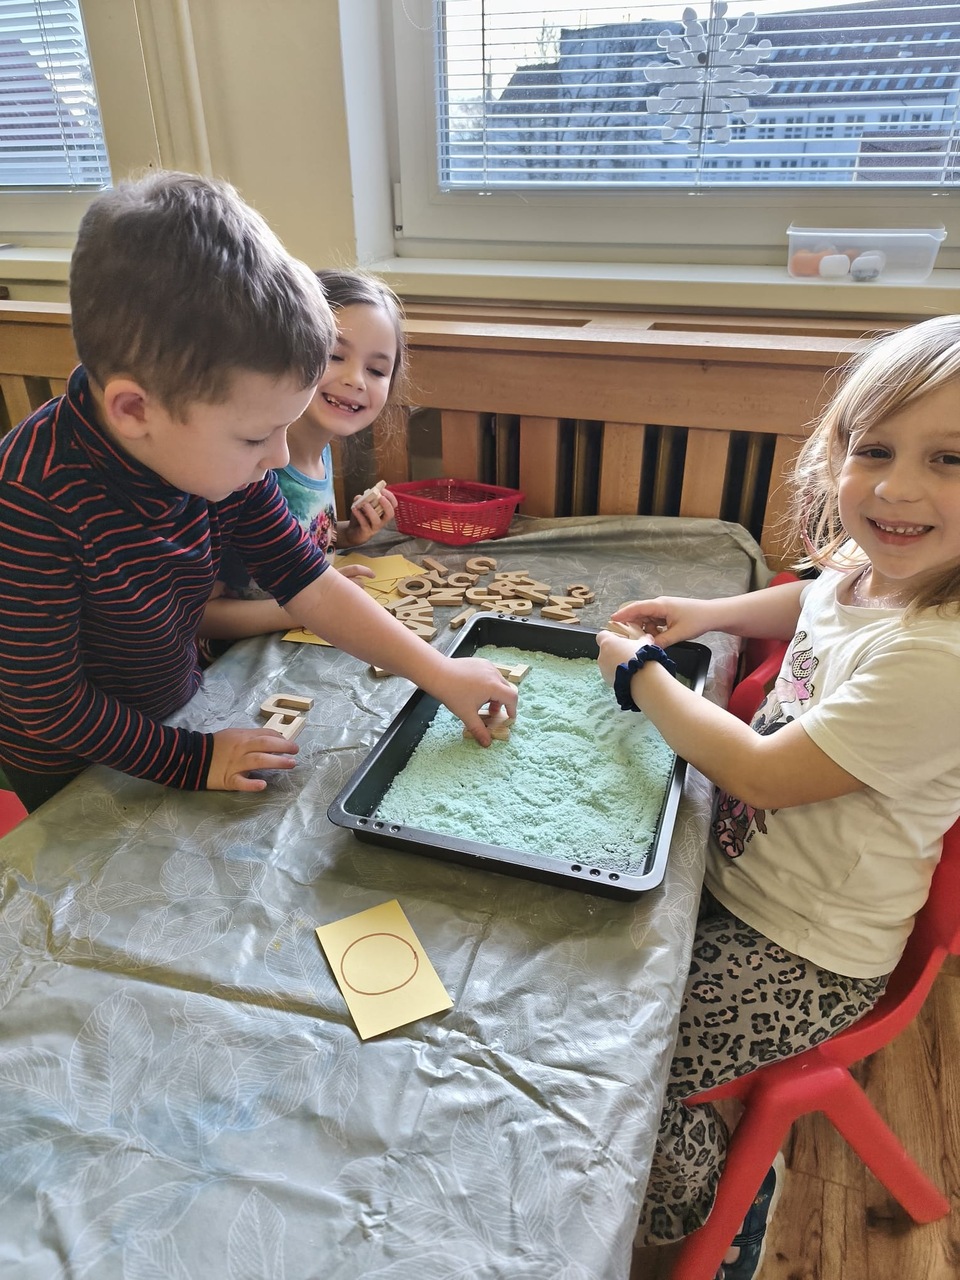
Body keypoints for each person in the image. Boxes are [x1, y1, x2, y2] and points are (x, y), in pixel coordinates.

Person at [597, 314, 960, 1279]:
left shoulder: (941, 657)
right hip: (737, 876)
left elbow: (757, 774)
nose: (896, 488)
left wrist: (641, 676)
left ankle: (711, 1212)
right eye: (874, 449)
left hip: (807, 949)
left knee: (626, 1060)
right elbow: (813, 596)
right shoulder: (876, 570)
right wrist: (711, 613)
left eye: (951, 460)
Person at [0, 171, 516, 814]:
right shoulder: (29, 500)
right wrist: (192, 759)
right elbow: (47, 705)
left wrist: (438, 671)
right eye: (255, 437)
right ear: (135, 411)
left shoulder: (210, 453)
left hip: (177, 701)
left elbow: (311, 584)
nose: (277, 458)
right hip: (72, 761)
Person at [199, 268, 405, 646]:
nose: (356, 379)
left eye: (376, 370)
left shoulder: (322, 450)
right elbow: (199, 617)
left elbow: (296, 541)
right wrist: (311, 607)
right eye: (334, 355)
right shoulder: (247, 470)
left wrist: (347, 533)